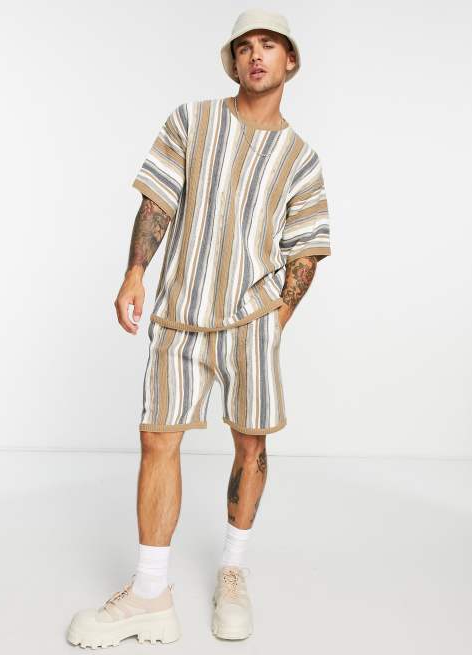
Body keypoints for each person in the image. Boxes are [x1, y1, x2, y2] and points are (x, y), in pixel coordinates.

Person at [67, 7, 331, 647]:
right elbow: (158, 199)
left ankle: (232, 572)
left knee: (251, 445)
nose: (256, 56)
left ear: (290, 60)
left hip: (253, 322)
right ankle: (150, 593)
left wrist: (274, 320)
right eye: (245, 46)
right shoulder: (192, 120)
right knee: (157, 438)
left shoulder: (301, 158)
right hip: (181, 311)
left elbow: (305, 250)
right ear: (233, 60)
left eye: (269, 45)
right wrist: (135, 272)